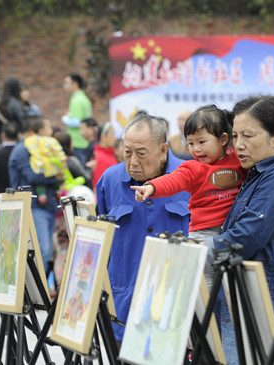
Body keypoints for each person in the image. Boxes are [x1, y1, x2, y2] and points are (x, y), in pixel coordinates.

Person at [203, 96, 274, 364]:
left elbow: (246, 236)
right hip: (245, 302)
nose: (238, 145)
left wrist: (195, 251)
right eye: (236, 136)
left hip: (266, 307)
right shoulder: (257, 173)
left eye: (249, 136)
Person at [96, 114, 191, 342]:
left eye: (141, 153)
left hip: (174, 302)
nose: (133, 162)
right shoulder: (109, 180)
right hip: (123, 303)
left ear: (162, 150)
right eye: (127, 152)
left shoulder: (189, 177)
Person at [9, 116, 64, 272]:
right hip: (33, 206)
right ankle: (37, 293)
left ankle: (41, 290)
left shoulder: (42, 150)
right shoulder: (22, 150)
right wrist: (56, 176)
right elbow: (33, 175)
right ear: (35, 132)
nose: (50, 132)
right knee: (42, 250)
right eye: (47, 128)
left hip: (47, 205)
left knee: (47, 251)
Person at [24, 117, 66, 207]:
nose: (51, 130)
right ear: (41, 130)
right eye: (49, 127)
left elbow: (29, 148)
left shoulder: (30, 140)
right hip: (51, 165)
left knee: (40, 183)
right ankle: (58, 191)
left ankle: (42, 197)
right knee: (57, 178)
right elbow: (58, 151)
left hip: (39, 165)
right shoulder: (51, 140)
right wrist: (63, 161)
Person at [62, 73, 93, 166]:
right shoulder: (84, 98)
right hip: (84, 141)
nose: (64, 86)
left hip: (77, 142)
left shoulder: (76, 100)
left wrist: (64, 118)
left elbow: (76, 122)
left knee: (80, 171)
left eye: (66, 83)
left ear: (75, 84)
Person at [0, 122, 20, 194]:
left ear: (2, 135)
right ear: (18, 136)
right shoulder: (22, 155)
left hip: (0, 198)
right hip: (21, 197)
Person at [91, 122, 118, 191]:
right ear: (103, 137)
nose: (115, 138)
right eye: (112, 134)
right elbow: (102, 185)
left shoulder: (111, 153)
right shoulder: (98, 157)